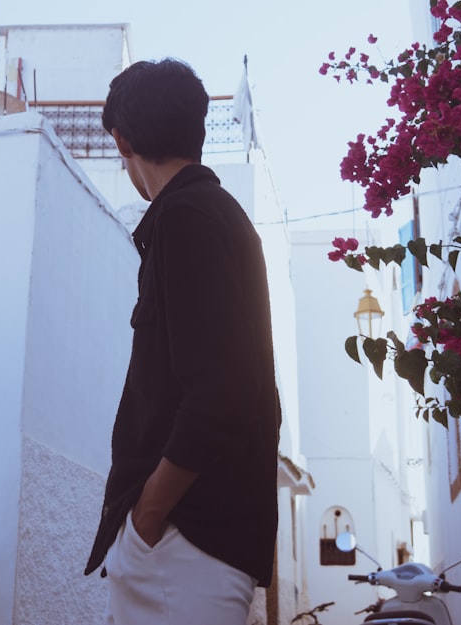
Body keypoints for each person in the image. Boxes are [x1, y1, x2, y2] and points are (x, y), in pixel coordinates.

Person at [83, 58, 281, 625]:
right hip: (196, 544)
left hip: (182, 543)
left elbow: (219, 393)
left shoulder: (185, 217)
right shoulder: (220, 215)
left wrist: (147, 515)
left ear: (122, 139)